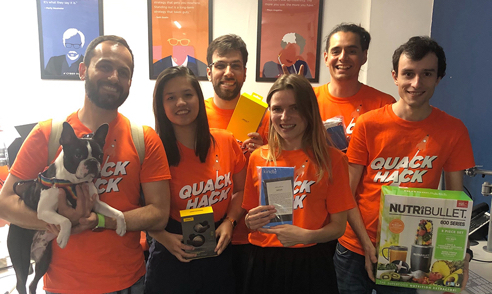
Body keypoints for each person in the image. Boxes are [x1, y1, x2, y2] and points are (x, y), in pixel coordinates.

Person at [0, 35, 171, 294]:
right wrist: (59, 221)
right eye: (104, 66)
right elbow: (5, 203)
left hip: (129, 282)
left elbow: (159, 213)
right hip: (63, 286)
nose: (114, 77)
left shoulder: (144, 138)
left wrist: (102, 220)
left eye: (123, 72)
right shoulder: (48, 134)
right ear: (83, 70)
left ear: (129, 83)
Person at [334, 36, 475, 294]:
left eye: (427, 74)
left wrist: (460, 256)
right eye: (408, 73)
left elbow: (456, 202)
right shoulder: (368, 124)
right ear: (395, 76)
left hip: (410, 251)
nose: (416, 83)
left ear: (439, 78)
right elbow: (347, 193)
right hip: (355, 247)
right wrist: (366, 245)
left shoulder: (453, 130)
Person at [242, 74, 356, 294]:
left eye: (294, 108)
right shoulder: (258, 157)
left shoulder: (333, 160)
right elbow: (251, 217)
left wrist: (307, 236)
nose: (285, 117)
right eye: (277, 109)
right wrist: (250, 220)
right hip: (263, 259)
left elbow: (338, 227)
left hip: (311, 260)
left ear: (309, 111)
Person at [144, 66, 246, 293]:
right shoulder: (153, 150)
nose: (181, 102)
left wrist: (230, 221)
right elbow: (142, 208)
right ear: (161, 105)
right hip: (173, 249)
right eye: (171, 97)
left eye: (187, 95)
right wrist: (164, 238)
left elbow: (241, 190)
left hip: (219, 246)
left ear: (199, 99)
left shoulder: (226, 141)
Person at [205, 34, 270, 291]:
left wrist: (264, 152)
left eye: (235, 65)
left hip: (252, 234)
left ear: (245, 71)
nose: (228, 72)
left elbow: (286, 172)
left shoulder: (268, 115)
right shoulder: (195, 112)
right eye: (220, 65)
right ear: (209, 72)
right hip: (207, 230)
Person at [314, 23, 395, 142]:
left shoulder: (384, 105)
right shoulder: (307, 99)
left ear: (364, 56)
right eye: (336, 51)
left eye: (351, 51)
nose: (342, 57)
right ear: (326, 58)